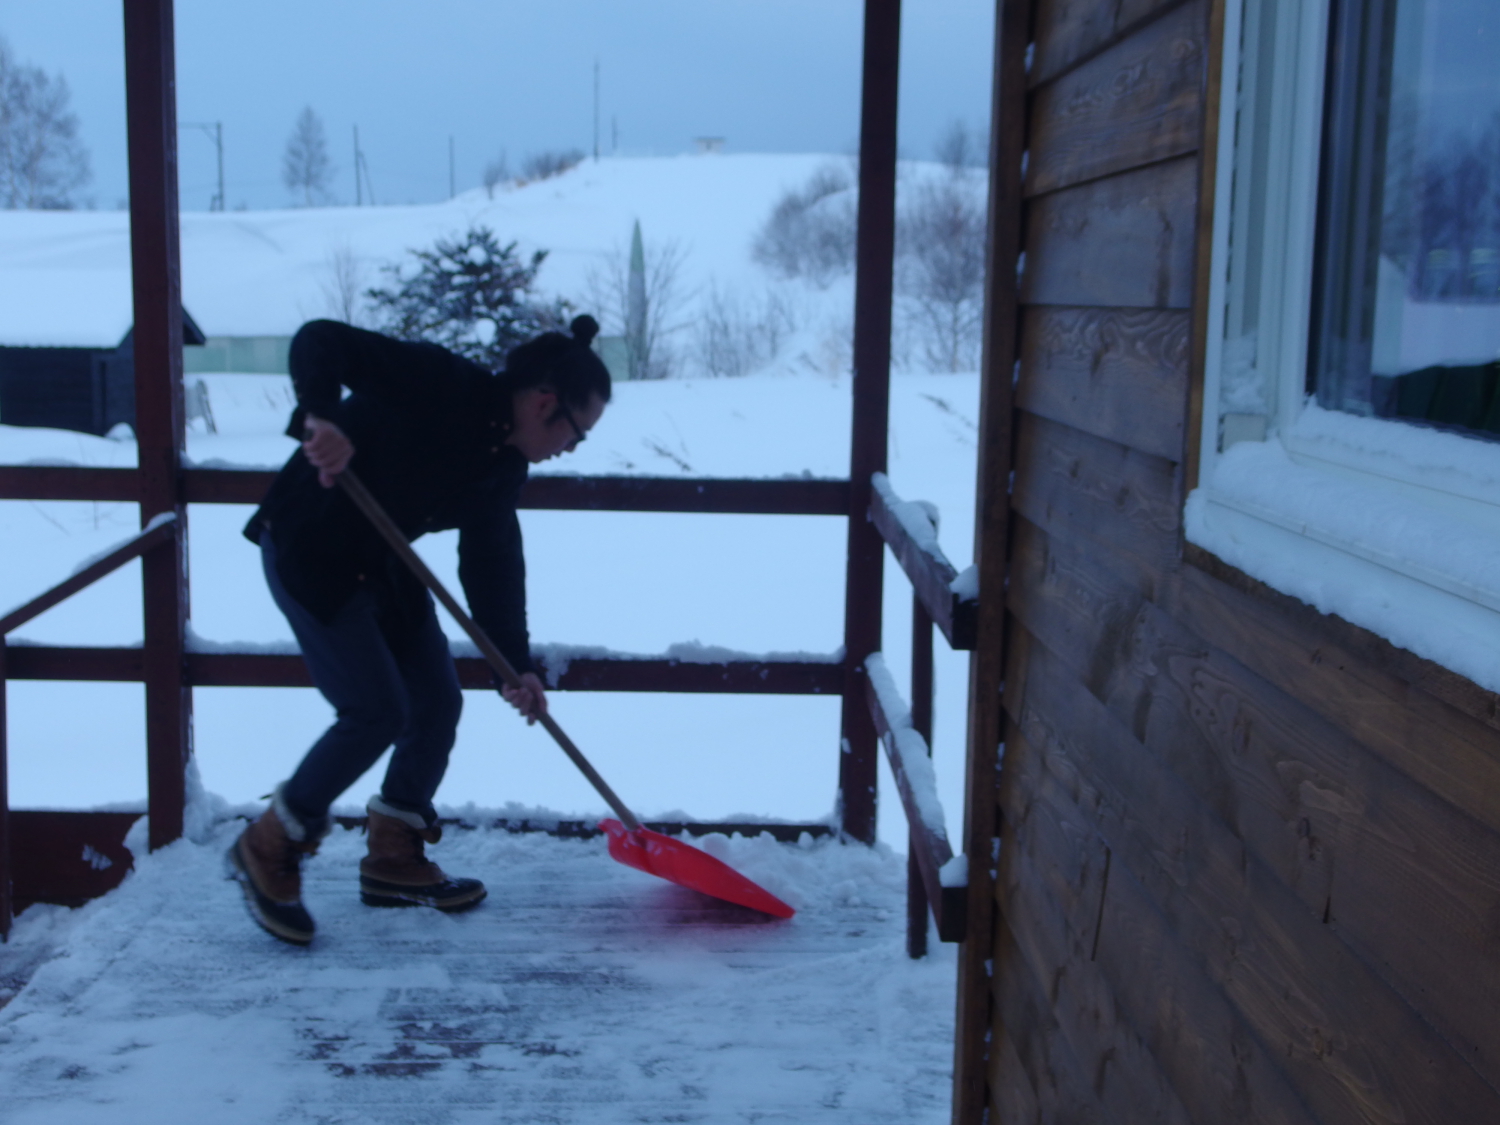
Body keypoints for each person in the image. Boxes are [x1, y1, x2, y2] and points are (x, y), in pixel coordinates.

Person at [227, 314, 610, 945]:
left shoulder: (503, 466)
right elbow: (322, 340)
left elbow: (492, 564)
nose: (573, 446)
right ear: (546, 403)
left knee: (436, 702)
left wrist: (513, 663)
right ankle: (267, 846)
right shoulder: (440, 383)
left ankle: (393, 857)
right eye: (578, 432)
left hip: (382, 560)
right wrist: (319, 417)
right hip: (313, 547)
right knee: (376, 711)